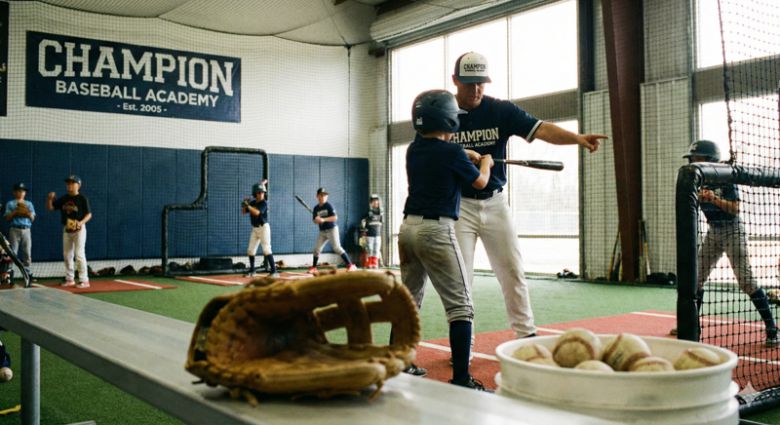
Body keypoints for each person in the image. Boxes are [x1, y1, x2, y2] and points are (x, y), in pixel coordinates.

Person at [449, 52, 606, 342]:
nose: (476, 90)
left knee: (513, 271)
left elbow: (541, 128)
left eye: (481, 83)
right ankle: (463, 343)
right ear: (455, 81)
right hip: (459, 206)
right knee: (461, 279)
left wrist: (577, 138)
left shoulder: (501, 111)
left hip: (495, 203)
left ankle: (526, 334)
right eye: (469, 84)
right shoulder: (444, 114)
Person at [398, 89, 494, 391]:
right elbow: (480, 182)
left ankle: (400, 364)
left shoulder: (413, 149)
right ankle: (462, 379)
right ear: (450, 119)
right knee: (461, 306)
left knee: (408, 301)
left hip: (407, 230)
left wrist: (463, 153)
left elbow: (439, 151)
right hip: (436, 232)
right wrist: (486, 162)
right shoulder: (451, 153)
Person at [676, 140, 778, 347]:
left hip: (733, 229)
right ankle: (691, 326)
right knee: (695, 280)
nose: (694, 161)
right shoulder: (697, 180)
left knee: (746, 281)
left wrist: (713, 199)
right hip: (714, 231)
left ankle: (772, 328)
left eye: (698, 158)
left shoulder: (725, 179)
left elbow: (735, 209)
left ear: (710, 159)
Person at [47, 175, 92, 288]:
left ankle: (84, 280)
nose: (69, 185)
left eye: (72, 183)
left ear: (79, 185)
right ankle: (70, 279)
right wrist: (49, 199)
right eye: (68, 183)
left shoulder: (82, 198)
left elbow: (89, 214)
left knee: (79, 254)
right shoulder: (64, 198)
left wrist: (80, 223)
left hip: (79, 229)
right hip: (67, 229)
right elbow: (51, 208)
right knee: (67, 255)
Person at [308, 188, 357, 273]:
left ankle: (350, 265)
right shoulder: (316, 208)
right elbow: (314, 221)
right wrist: (316, 220)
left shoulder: (329, 206)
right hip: (322, 231)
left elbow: (335, 218)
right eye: (321, 195)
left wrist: (323, 219)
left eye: (325, 195)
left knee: (337, 248)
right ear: (317, 196)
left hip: (332, 229)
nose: (323, 197)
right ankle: (314, 267)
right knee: (316, 249)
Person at [242, 180, 278, 278]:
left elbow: (256, 213)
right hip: (255, 229)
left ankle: (274, 272)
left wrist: (248, 206)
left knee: (266, 249)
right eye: (259, 193)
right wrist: (244, 204)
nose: (261, 194)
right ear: (255, 194)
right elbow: (244, 212)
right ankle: (252, 271)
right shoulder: (253, 202)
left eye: (262, 192)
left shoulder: (264, 203)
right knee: (250, 251)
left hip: (264, 228)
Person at [4, 183, 35, 282]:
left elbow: (32, 218)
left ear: (25, 193)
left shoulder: (29, 204)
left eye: (22, 191)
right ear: (14, 192)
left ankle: (28, 274)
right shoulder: (10, 203)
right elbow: (7, 218)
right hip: (14, 229)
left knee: (27, 253)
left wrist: (27, 213)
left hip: (26, 229)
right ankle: (9, 274)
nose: (21, 193)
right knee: (12, 253)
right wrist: (15, 212)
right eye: (18, 191)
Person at [361, 194, 383, 269]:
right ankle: (369, 262)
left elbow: (381, 222)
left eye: (376, 201)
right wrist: (364, 229)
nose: (375, 203)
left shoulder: (380, 212)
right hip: (370, 234)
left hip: (378, 234)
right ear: (371, 203)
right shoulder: (368, 212)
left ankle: (375, 263)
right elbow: (363, 221)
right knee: (370, 248)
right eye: (373, 202)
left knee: (376, 248)